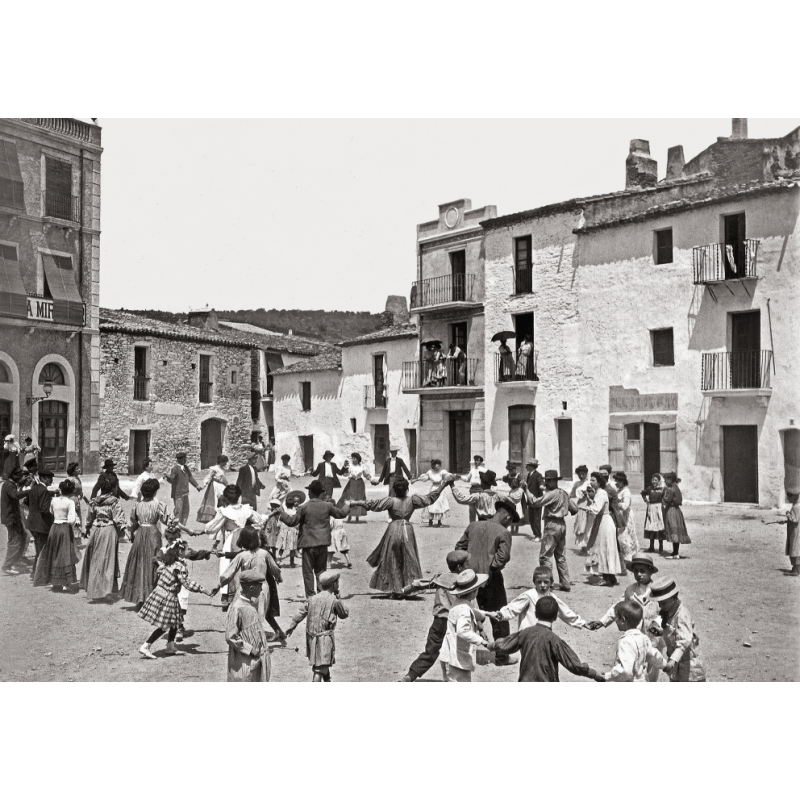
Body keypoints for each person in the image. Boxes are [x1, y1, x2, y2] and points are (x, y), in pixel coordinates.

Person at [350, 477, 449, 598]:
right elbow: (430, 498)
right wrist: (444, 484)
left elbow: (372, 505)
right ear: (407, 489)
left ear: (394, 490)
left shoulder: (391, 501)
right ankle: (410, 588)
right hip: (407, 529)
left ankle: (396, 590)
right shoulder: (413, 500)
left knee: (393, 559)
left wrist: (355, 503)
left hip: (393, 530)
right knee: (410, 559)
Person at [454, 496, 519, 666]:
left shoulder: (473, 525)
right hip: (491, 580)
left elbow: (458, 548)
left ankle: (468, 654)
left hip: (469, 579)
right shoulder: (503, 532)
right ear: (507, 517)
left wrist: (468, 568)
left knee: (470, 614)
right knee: (499, 616)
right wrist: (489, 569)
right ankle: (502, 656)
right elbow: (502, 558)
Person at [489, 596, 606, 683]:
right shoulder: (554, 640)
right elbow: (574, 665)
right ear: (555, 617)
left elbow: (502, 646)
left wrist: (488, 644)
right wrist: (594, 674)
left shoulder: (525, 633)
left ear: (535, 614)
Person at [401, 550, 470, 682]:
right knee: (458, 651)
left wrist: (409, 588)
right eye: (467, 564)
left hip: (439, 621)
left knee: (430, 651)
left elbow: (424, 583)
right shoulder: (464, 582)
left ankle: (410, 675)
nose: (469, 567)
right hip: (455, 623)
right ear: (460, 567)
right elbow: (470, 605)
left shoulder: (441, 577)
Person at [138, 546, 217, 659]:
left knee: (175, 621)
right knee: (164, 625)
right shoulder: (178, 566)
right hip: (167, 596)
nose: (190, 551)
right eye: (187, 549)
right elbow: (187, 584)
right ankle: (146, 646)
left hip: (161, 593)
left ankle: (170, 646)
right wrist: (206, 591)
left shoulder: (170, 562)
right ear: (180, 552)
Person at [279, 479, 349, 597]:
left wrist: (282, 513)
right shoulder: (328, 506)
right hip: (323, 543)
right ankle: (322, 594)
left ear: (311, 492)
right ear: (321, 493)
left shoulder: (303, 507)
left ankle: (311, 597)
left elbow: (292, 522)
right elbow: (341, 514)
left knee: (308, 572)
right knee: (321, 571)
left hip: (308, 544)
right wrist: (348, 505)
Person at [122, 478, 182, 607]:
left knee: (139, 563)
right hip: (153, 535)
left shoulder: (137, 506)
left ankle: (139, 597)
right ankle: (152, 596)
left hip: (140, 535)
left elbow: (132, 523)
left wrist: (132, 534)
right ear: (154, 492)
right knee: (153, 563)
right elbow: (168, 521)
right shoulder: (159, 505)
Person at [203, 484, 264, 612]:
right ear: (239, 496)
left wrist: (205, 530)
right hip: (246, 537)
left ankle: (228, 597)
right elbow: (259, 521)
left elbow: (211, 528)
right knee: (245, 564)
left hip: (231, 539)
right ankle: (245, 593)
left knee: (228, 566)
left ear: (226, 497)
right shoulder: (246, 510)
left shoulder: (225, 511)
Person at [220, 526, 286, 643]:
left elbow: (228, 574)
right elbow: (275, 569)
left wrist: (220, 585)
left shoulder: (242, 556)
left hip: (245, 588)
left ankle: (244, 638)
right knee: (258, 614)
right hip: (262, 589)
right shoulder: (265, 553)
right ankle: (255, 638)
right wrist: (279, 578)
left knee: (239, 610)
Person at [285, 570, 349, 682]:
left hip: (312, 638)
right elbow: (344, 614)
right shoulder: (334, 600)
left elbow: (300, 613)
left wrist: (292, 625)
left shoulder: (312, 599)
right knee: (320, 668)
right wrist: (339, 599)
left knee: (322, 663)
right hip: (325, 638)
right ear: (334, 584)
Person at [487, 566, 587, 632]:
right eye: (539, 582)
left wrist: (583, 623)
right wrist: (501, 614)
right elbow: (513, 608)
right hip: (527, 634)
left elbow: (565, 612)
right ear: (534, 582)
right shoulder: (529, 596)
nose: (542, 585)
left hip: (544, 634)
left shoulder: (552, 598)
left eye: (546, 582)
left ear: (551, 582)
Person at [160, 521, 214, 639]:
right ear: (166, 538)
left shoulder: (181, 549)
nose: (172, 541)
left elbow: (193, 554)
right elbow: (157, 562)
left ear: (179, 537)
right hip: (170, 585)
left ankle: (179, 628)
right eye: (170, 539)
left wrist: (206, 553)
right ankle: (176, 629)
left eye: (175, 538)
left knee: (181, 604)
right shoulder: (164, 551)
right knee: (172, 607)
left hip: (182, 584)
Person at [648, 576, 706, 682]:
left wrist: (672, 661)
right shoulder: (667, 611)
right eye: (659, 602)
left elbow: (685, 640)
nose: (660, 605)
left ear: (673, 598)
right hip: (677, 666)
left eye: (663, 603)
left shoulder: (682, 615)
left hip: (689, 665)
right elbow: (669, 628)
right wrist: (657, 631)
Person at [523, 468, 573, 591]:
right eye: (546, 481)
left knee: (545, 556)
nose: (546, 483)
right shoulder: (563, 492)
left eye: (549, 481)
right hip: (562, 524)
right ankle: (565, 582)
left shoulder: (552, 494)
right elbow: (574, 509)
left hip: (552, 524)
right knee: (560, 556)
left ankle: (548, 583)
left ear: (555, 481)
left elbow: (534, 502)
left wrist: (525, 489)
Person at [437, 569, 490, 682]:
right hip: (456, 660)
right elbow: (463, 631)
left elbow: (471, 611)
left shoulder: (458, 604)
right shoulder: (465, 610)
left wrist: (488, 614)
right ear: (474, 592)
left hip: (448, 655)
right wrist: (482, 641)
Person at [33, 479, 81, 591]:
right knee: (64, 555)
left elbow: (51, 512)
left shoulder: (53, 500)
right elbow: (72, 519)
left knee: (54, 553)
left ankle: (55, 581)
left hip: (54, 528)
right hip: (64, 528)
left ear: (60, 489)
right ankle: (65, 582)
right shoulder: (70, 502)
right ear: (70, 491)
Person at [225, 568, 272, 681]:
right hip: (243, 662)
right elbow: (230, 637)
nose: (261, 589)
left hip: (254, 662)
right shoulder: (237, 608)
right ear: (251, 588)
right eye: (259, 586)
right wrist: (250, 649)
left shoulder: (250, 606)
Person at [603, 600, 667, 682]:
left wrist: (607, 676)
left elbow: (625, 672)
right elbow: (653, 655)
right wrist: (665, 665)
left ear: (623, 620)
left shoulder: (625, 642)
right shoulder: (644, 638)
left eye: (617, 618)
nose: (615, 621)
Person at [81, 491, 128, 601]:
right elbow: (119, 518)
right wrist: (126, 531)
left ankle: (95, 589)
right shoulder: (114, 502)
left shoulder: (94, 502)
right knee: (108, 561)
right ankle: (106, 591)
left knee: (96, 560)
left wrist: (87, 529)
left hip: (96, 530)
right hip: (108, 531)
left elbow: (89, 518)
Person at [585, 471, 623, 586]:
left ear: (599, 482)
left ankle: (608, 577)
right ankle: (610, 577)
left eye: (593, 480)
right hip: (601, 521)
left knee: (604, 548)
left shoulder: (601, 493)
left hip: (604, 522)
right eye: (590, 480)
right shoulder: (598, 492)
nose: (591, 482)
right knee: (602, 547)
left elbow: (596, 509)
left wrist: (584, 507)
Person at [26, 469, 55, 580]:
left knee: (39, 550)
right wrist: (53, 518)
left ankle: (35, 574)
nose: (51, 480)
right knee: (42, 551)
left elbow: (26, 502)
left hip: (32, 523)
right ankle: (38, 575)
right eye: (49, 478)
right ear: (43, 478)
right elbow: (44, 510)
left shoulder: (35, 488)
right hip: (41, 525)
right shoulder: (44, 491)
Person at [1, 466, 26, 575]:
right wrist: (29, 491)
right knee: (14, 541)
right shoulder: (9, 485)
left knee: (23, 536)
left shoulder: (10, 484)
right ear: (13, 476)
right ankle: (7, 566)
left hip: (14, 517)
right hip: (11, 518)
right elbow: (16, 495)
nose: (21, 476)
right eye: (19, 475)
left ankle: (16, 559)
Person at [414, 459, 453, 527]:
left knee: (440, 503)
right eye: (436, 464)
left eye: (439, 464)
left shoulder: (442, 472)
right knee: (431, 504)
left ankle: (439, 521)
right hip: (433, 489)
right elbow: (424, 478)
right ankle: (430, 520)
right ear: (433, 465)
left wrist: (453, 476)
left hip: (440, 489)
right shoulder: (430, 472)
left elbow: (448, 476)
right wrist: (416, 480)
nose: (438, 465)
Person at [163, 452, 200, 524]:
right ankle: (176, 527)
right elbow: (172, 480)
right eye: (184, 458)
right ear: (181, 459)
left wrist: (196, 485)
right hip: (178, 494)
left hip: (185, 493)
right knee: (178, 511)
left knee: (186, 510)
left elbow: (190, 477)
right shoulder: (175, 469)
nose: (185, 460)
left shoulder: (186, 468)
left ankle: (182, 526)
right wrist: (167, 476)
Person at [614, 471, 641, 563]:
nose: (616, 483)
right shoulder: (618, 491)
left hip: (626, 516)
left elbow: (625, 505)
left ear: (622, 481)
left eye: (617, 481)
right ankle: (623, 556)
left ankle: (629, 556)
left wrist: (616, 504)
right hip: (619, 515)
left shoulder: (626, 492)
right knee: (620, 536)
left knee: (625, 536)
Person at [662, 472, 690, 559]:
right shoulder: (676, 488)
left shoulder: (670, 489)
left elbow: (666, 500)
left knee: (673, 529)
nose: (665, 482)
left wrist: (663, 495)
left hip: (671, 510)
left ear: (670, 480)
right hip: (677, 510)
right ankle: (675, 551)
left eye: (666, 480)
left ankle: (675, 553)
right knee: (676, 530)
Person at [337, 452, 371, 523]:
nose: (353, 460)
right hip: (352, 483)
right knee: (350, 498)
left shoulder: (362, 466)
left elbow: (365, 475)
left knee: (359, 498)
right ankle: (349, 516)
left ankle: (357, 517)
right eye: (352, 458)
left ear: (358, 459)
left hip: (359, 483)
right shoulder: (350, 466)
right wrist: (345, 470)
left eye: (354, 458)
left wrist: (369, 477)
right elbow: (345, 474)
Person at [275, 490, 304, 567]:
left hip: (284, 531)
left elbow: (279, 522)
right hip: (293, 532)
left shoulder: (284, 512)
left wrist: (279, 528)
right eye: (295, 502)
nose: (296, 503)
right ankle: (291, 563)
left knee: (281, 547)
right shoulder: (296, 512)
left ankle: (278, 560)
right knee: (292, 548)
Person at [197, 454, 229, 523]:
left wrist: (228, 486)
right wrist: (203, 485)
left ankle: (221, 518)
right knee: (215, 502)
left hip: (221, 486)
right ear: (221, 462)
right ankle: (214, 519)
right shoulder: (214, 469)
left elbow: (224, 479)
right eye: (225, 462)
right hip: (215, 486)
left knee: (222, 500)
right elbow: (209, 477)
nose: (226, 464)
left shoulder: (222, 469)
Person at [775, 492, 800, 576]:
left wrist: (788, 515)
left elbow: (795, 520)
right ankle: (795, 568)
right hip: (796, 531)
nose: (788, 499)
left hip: (795, 532)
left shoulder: (795, 508)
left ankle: (796, 570)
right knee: (795, 549)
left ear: (794, 497)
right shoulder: (797, 507)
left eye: (789, 497)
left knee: (794, 549)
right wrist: (785, 521)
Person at [641, 473, 666, 555]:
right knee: (651, 527)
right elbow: (643, 493)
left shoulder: (662, 489)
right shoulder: (650, 489)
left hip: (659, 509)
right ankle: (651, 546)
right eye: (653, 480)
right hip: (651, 508)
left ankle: (661, 546)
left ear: (659, 481)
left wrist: (663, 505)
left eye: (656, 480)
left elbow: (665, 497)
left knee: (659, 527)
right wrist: (646, 501)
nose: (654, 481)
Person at [570, 465, 593, 551]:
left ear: (586, 474)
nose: (581, 476)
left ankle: (588, 547)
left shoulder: (589, 483)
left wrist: (587, 495)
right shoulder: (576, 483)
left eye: (583, 474)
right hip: (580, 506)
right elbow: (572, 494)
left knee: (588, 526)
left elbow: (593, 495)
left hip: (588, 506)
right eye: (579, 474)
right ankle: (583, 547)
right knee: (580, 527)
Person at [461, 455, 487, 523]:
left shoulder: (484, 470)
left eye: (477, 460)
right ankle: (472, 524)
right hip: (472, 490)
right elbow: (467, 479)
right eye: (475, 460)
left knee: (480, 508)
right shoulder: (472, 470)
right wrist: (459, 477)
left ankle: (479, 525)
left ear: (481, 462)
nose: (476, 462)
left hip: (480, 490)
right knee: (471, 509)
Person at [500, 462, 522, 534]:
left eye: (512, 470)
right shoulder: (508, 476)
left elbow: (522, 483)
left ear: (515, 469)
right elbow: (503, 478)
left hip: (518, 492)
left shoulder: (518, 475)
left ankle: (516, 529)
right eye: (509, 470)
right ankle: (512, 528)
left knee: (518, 510)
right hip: (512, 492)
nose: (511, 471)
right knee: (512, 510)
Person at [525, 459, 545, 540]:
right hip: (530, 500)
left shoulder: (538, 475)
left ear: (531, 466)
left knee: (536, 519)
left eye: (527, 465)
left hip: (537, 500)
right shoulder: (529, 475)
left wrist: (542, 486)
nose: (526, 467)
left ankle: (538, 535)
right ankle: (535, 534)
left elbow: (541, 483)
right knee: (531, 518)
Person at [66, 462, 85, 536]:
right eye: (77, 469)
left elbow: (80, 491)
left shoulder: (77, 479)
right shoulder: (70, 480)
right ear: (72, 471)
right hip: (71, 499)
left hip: (76, 499)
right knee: (73, 517)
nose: (79, 470)